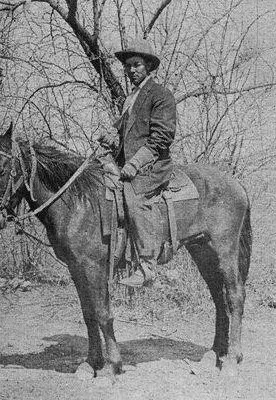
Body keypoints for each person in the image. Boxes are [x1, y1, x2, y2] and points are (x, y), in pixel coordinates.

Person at [99, 38, 177, 287]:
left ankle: (147, 266)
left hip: (152, 166)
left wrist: (134, 164)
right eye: (129, 66)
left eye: (137, 65)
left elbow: (161, 138)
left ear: (148, 67)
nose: (131, 70)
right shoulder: (130, 99)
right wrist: (111, 137)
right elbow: (124, 135)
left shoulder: (161, 95)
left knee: (134, 197)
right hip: (129, 165)